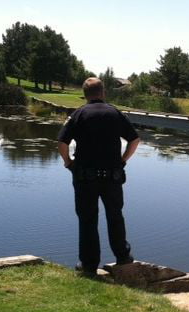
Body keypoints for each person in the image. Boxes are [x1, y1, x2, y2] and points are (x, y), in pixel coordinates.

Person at [58, 77, 140, 278]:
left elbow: (62, 142)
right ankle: (123, 257)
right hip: (112, 176)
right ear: (103, 92)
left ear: (85, 95)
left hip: (85, 177)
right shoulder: (114, 113)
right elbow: (134, 139)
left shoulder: (78, 114)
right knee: (115, 216)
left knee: (88, 220)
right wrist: (122, 161)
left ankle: (88, 265)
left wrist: (69, 163)